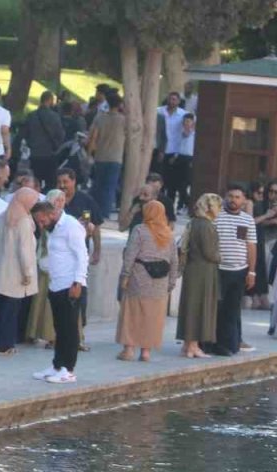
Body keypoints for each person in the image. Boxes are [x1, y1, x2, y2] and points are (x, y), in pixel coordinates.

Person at [31, 201, 87, 384]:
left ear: (51, 215)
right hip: (56, 285)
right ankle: (57, 365)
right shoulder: (52, 229)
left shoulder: (71, 226)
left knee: (70, 329)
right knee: (59, 328)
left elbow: (82, 255)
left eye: (42, 221)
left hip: (71, 285)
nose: (41, 225)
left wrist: (78, 282)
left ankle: (68, 370)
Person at [116, 200, 179, 362]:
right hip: (160, 283)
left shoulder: (139, 231)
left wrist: (124, 276)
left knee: (132, 313)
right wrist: (171, 282)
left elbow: (130, 255)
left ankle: (128, 350)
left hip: (139, 278)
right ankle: (146, 353)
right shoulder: (169, 233)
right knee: (153, 317)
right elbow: (174, 260)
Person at [0, 187, 37, 355]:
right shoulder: (23, 221)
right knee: (10, 311)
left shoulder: (3, 216)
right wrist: (28, 272)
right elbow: (25, 250)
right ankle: (6, 344)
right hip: (16, 274)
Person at [208, 186, 257, 356]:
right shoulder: (216, 217)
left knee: (233, 309)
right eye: (230, 196)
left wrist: (252, 272)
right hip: (218, 270)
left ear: (243, 200)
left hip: (239, 271)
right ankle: (213, 343)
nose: (233, 200)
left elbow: (250, 245)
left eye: (237, 197)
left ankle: (230, 344)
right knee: (217, 308)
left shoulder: (247, 220)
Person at [177, 194, 221, 359]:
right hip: (203, 272)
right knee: (199, 307)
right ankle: (193, 345)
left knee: (190, 305)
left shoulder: (193, 223)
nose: (220, 210)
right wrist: (221, 257)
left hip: (192, 269)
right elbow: (210, 253)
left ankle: (187, 344)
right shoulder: (206, 226)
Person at [86, 90, 124, 218]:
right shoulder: (123, 121)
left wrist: (89, 154)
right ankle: (105, 212)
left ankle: (93, 210)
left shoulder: (100, 118)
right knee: (110, 186)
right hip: (116, 157)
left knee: (97, 185)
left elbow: (93, 137)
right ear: (119, 105)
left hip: (100, 156)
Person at [24, 91, 66, 190]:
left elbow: (25, 134)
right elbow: (61, 134)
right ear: (50, 100)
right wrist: (56, 146)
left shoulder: (31, 116)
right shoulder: (54, 116)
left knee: (35, 182)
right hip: (50, 154)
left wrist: (31, 144)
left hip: (35, 154)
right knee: (51, 183)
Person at [164, 114, 195, 214]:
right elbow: (177, 146)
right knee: (173, 183)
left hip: (189, 159)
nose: (186, 123)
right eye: (185, 121)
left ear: (192, 123)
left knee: (184, 185)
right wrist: (174, 156)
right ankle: (170, 206)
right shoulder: (179, 133)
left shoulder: (195, 134)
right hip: (178, 158)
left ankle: (183, 205)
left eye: (188, 121)